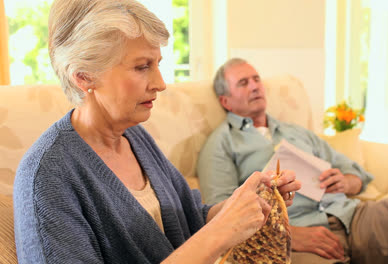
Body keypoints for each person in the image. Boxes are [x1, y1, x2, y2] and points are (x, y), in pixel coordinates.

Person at [13, 2, 301, 263]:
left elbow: (192, 220)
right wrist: (219, 233)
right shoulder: (46, 177)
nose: (160, 83)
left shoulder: (135, 137)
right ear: (84, 76)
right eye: (142, 67)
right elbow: (207, 236)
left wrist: (249, 203)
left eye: (157, 64)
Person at [197, 57, 388, 264]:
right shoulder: (220, 145)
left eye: (256, 79)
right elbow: (222, 217)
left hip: (352, 216)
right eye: (243, 83)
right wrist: (287, 234)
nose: (255, 85)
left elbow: (354, 172)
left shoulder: (297, 132)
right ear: (226, 101)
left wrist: (347, 182)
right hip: (296, 234)